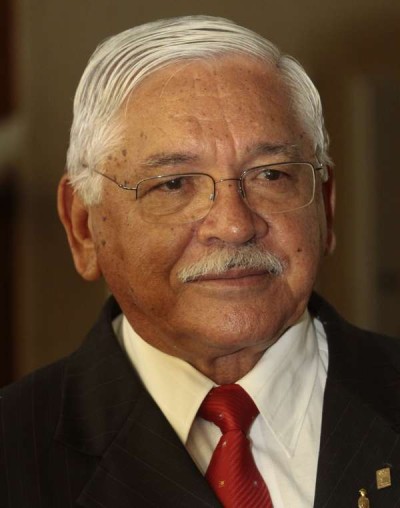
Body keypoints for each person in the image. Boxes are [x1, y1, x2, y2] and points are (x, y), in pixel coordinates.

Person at [1, 15, 400, 508]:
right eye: (174, 184)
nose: (234, 226)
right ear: (84, 227)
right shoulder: (15, 453)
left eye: (271, 175)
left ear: (326, 204)